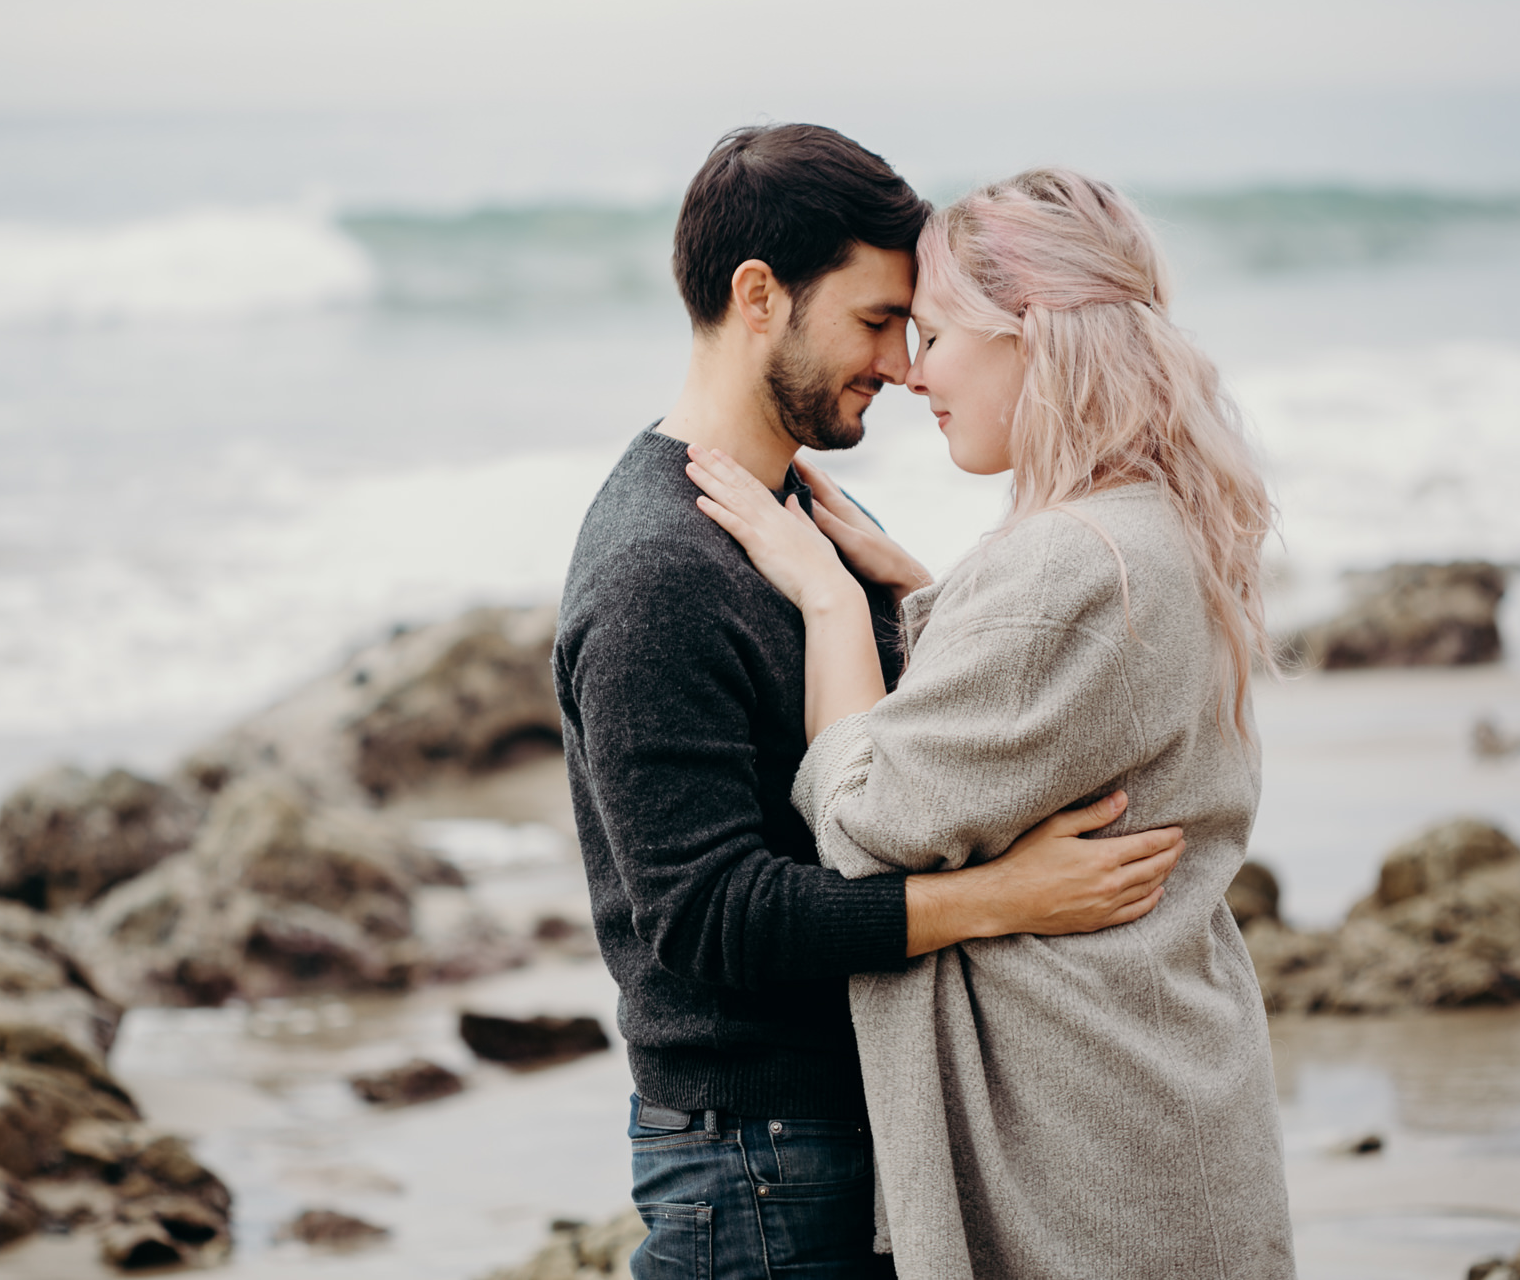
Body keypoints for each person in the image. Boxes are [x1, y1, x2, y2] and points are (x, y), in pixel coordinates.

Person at [553, 126, 1191, 1280]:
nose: (903, 365)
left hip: (840, 1135)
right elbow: (706, 918)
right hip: (753, 1159)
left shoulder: (803, 520)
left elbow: (912, 758)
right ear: (759, 296)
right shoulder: (659, 570)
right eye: (873, 321)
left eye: (914, 327)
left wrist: (911, 601)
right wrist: (997, 898)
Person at [683, 167, 1296, 1278]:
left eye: (933, 332)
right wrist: (933, 599)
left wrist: (827, 599)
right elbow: (1036, 710)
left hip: (1089, 1158)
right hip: (1158, 1097)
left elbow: (862, 821)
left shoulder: (1068, 566)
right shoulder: (1143, 526)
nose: (913, 374)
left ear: (1033, 336)